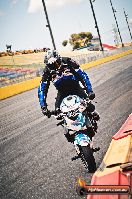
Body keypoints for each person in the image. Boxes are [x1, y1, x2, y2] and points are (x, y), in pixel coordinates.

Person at [38, 49, 99, 141]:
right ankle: (71, 133)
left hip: (76, 88)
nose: (55, 66)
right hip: (62, 93)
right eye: (51, 65)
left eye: (56, 63)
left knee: (90, 107)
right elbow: (42, 88)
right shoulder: (47, 71)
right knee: (58, 113)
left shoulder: (68, 61)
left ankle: (92, 115)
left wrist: (89, 91)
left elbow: (83, 75)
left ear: (59, 58)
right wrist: (43, 106)